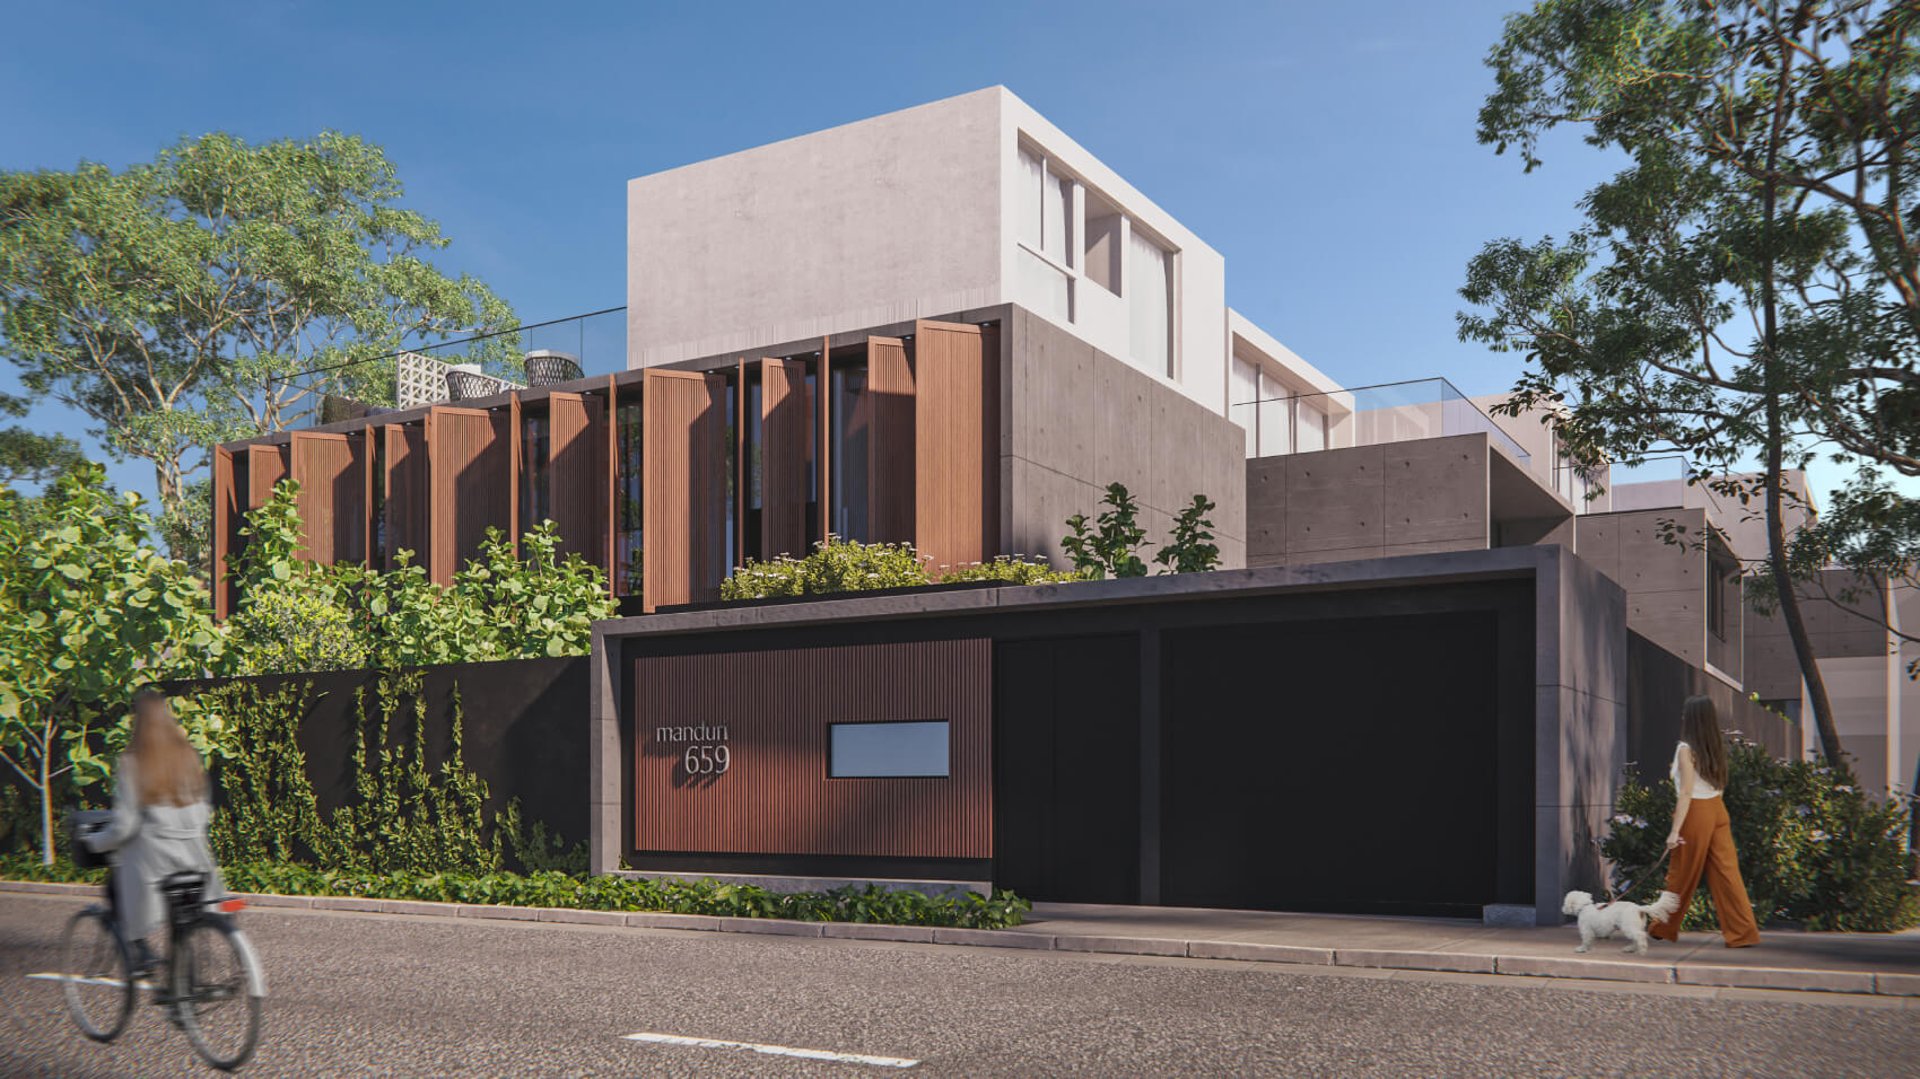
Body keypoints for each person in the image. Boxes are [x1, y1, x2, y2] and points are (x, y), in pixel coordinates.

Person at [81, 686, 225, 977]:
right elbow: (204, 809)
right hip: (195, 859)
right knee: (182, 911)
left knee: (115, 887)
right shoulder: (188, 757)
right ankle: (184, 980)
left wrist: (93, 842)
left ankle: (140, 952)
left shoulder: (134, 761)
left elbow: (125, 825)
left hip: (156, 864)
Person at [1648, 696, 1760, 948]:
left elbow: (1686, 792)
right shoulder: (1714, 746)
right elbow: (1719, 785)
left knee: (1682, 872)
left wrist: (1674, 830)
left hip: (1696, 812)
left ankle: (1663, 928)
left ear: (1690, 718)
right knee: (1727, 875)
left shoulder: (1685, 748)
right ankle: (1743, 933)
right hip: (1717, 810)